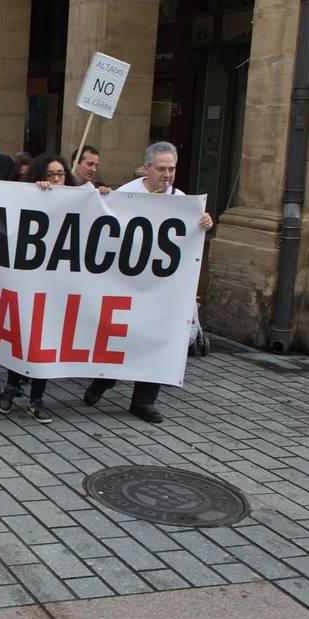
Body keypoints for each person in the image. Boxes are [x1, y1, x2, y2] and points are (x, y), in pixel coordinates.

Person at [84, 142, 213, 424]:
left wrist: (203, 222)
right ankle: (103, 381)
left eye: (172, 169)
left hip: (161, 289)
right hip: (126, 284)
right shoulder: (126, 194)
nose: (167, 175)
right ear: (146, 168)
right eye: (161, 169)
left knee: (155, 340)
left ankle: (144, 401)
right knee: (122, 337)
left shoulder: (182, 200)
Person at [0, 155, 71, 424]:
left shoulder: (79, 200)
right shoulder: (29, 197)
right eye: (50, 173)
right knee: (23, 336)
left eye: (61, 173)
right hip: (29, 282)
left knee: (45, 342)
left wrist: (102, 194)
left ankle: (36, 398)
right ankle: (12, 384)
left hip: (58, 287)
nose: (55, 178)